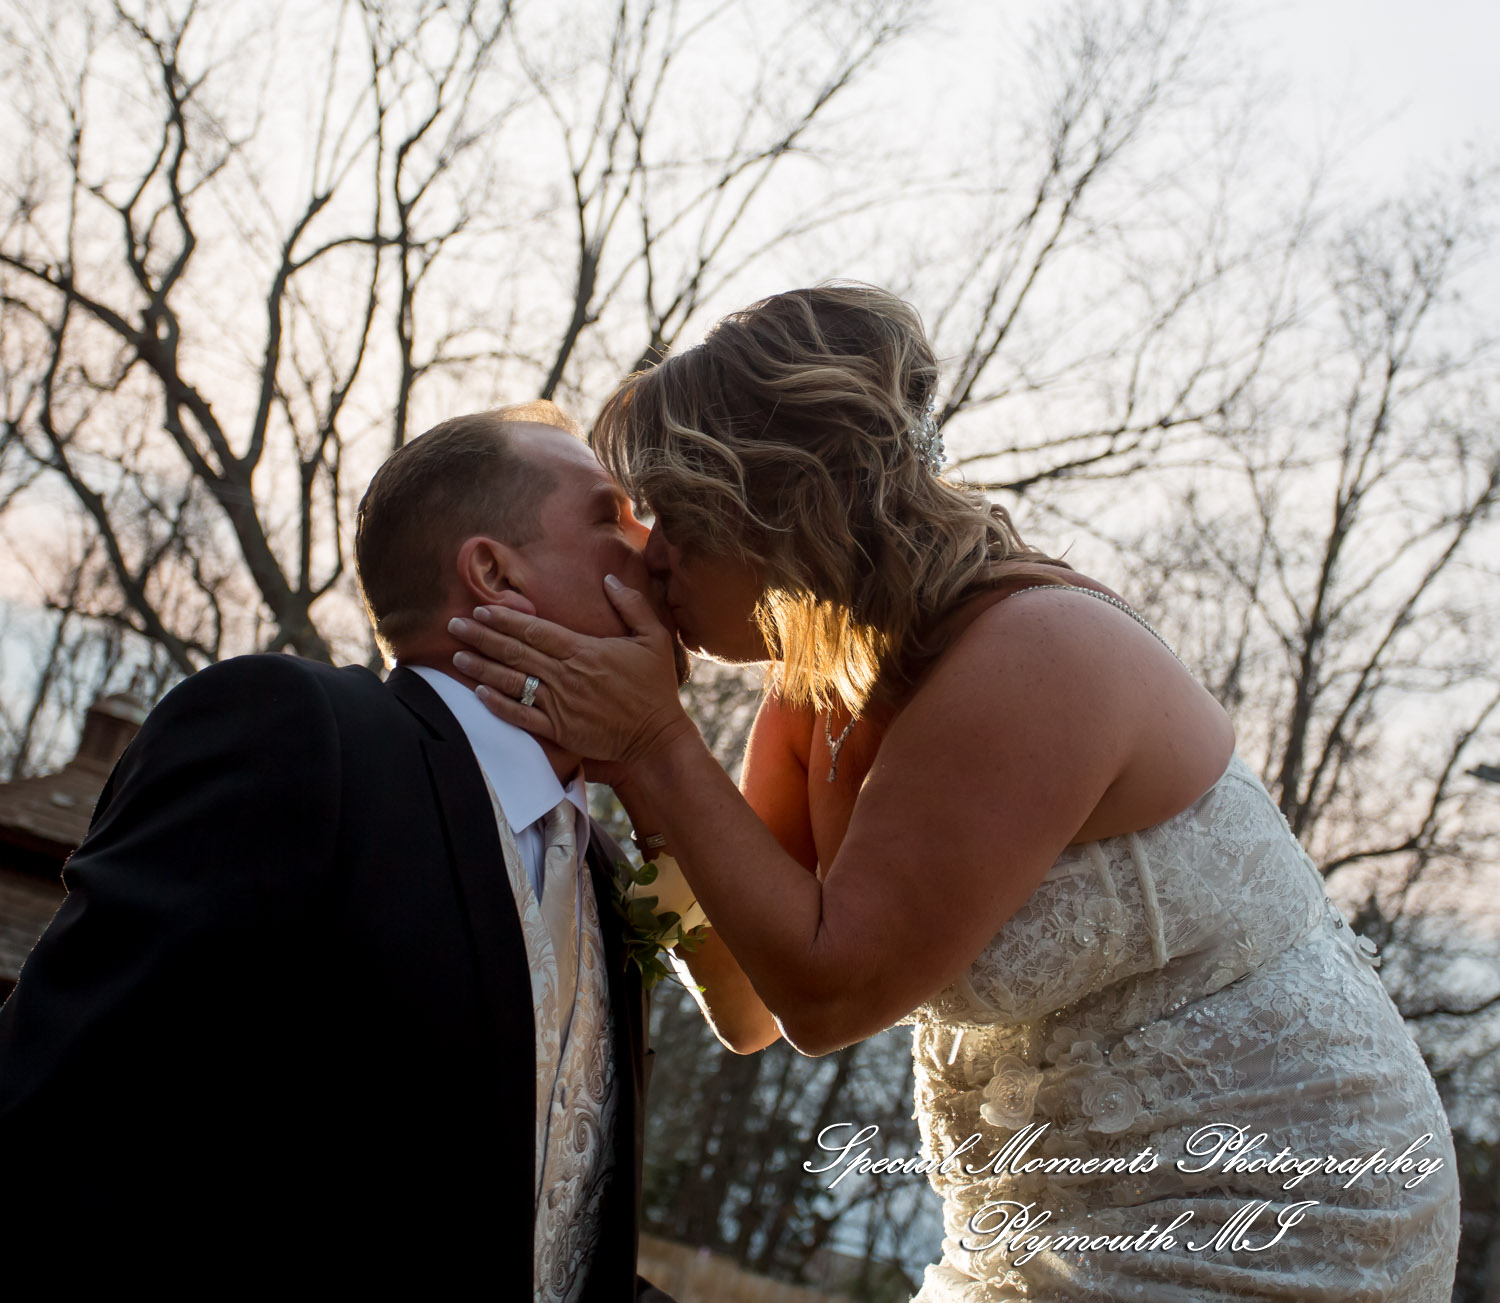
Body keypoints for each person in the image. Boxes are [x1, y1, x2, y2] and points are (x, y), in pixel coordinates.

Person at [449, 287, 1462, 1300]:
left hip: (1285, 1214)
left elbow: (827, 991)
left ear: (775, 505)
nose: (651, 550)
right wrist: (634, 762)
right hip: (1045, 1225)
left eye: (680, 513)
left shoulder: (1035, 654)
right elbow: (748, 1002)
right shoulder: (811, 699)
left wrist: (655, 742)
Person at [0, 402, 677, 1300]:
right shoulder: (295, 731)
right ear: (493, 573)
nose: (653, 542)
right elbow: (63, 1122)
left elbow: (555, 1241)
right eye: (609, 516)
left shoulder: (600, 871)